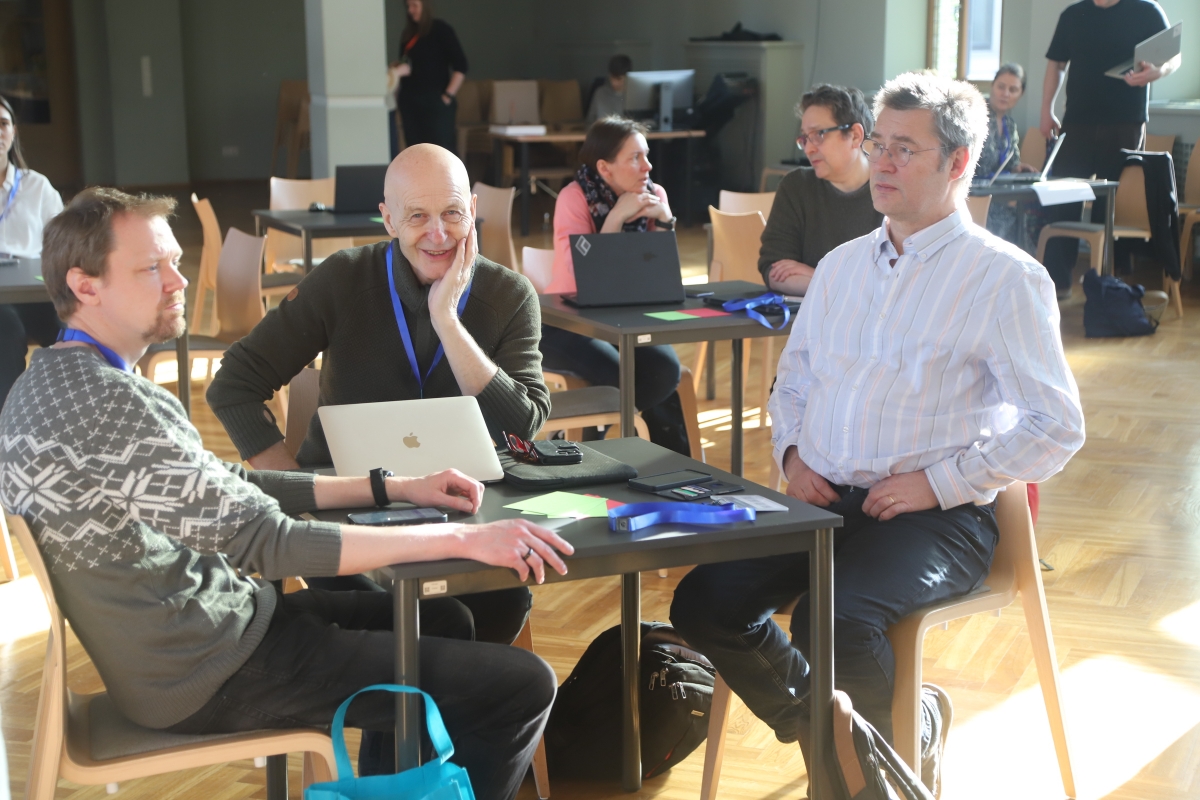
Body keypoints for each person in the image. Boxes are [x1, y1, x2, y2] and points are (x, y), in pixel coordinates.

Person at [0, 187, 574, 800]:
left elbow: (232, 487)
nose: (179, 280)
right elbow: (268, 542)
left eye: (175, 261)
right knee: (523, 686)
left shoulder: (53, 381)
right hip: (210, 671)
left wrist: (391, 486)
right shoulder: (114, 404)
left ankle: (392, 789)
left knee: (443, 618)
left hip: (203, 639)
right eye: (151, 268)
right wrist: (463, 537)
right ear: (84, 286)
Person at [671, 72, 1085, 798]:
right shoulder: (840, 267)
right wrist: (792, 454)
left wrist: (937, 484)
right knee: (704, 600)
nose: (882, 162)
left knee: (833, 620)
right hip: (823, 497)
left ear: (958, 162)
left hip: (937, 517)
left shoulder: (1004, 280)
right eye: (880, 145)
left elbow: (1057, 427)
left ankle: (866, 781)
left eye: (905, 149)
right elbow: (793, 381)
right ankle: (866, 735)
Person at [207, 143, 547, 644]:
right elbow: (234, 383)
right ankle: (424, 693)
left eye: (453, 213)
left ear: (473, 209)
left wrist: (448, 322)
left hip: (465, 508)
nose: (439, 234)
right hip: (347, 515)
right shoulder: (343, 278)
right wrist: (296, 488)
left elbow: (523, 427)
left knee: (506, 598)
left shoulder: (510, 294)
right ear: (388, 220)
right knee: (431, 619)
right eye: (417, 216)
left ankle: (445, 693)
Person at [540, 116, 689, 455]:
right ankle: (586, 454)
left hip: (626, 318)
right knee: (618, 374)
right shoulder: (574, 197)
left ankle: (575, 442)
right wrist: (617, 217)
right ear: (605, 168)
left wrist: (665, 221)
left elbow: (660, 276)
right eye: (635, 157)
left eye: (646, 155)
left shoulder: (655, 197)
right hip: (567, 320)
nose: (647, 166)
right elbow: (588, 277)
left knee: (665, 370)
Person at [1039, 0, 1180, 300]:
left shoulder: (1146, 10)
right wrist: (1046, 109)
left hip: (1125, 123)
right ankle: (1057, 283)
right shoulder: (1072, 15)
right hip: (1076, 122)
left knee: (1111, 205)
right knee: (1062, 199)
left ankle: (1106, 285)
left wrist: (1156, 72)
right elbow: (1056, 65)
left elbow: (1172, 57)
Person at [758, 84, 882, 296]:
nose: (809, 148)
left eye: (819, 135)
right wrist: (848, 287)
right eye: (805, 138)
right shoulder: (796, 186)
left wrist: (819, 276)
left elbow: (892, 283)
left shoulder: (890, 191)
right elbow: (774, 270)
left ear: (855, 135)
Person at [0, 94, 63, 407]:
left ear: (13, 132)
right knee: (7, 331)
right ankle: (10, 419)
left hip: (35, 290)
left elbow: (64, 240)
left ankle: (70, 411)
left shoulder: (37, 186)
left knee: (69, 327)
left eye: (3, 124)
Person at [974, 63, 1044, 252]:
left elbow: (1011, 162)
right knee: (1011, 216)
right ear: (992, 86)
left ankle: (1023, 267)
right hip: (974, 194)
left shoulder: (1010, 125)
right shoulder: (974, 116)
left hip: (998, 194)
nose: (1005, 94)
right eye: (1001, 87)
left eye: (1013, 90)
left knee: (1034, 211)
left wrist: (1017, 168)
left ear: (1021, 94)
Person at [395, 0, 467, 154]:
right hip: (410, 104)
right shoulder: (408, 35)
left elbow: (461, 66)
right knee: (415, 153)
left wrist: (447, 96)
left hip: (435, 104)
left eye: (414, 5)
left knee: (442, 153)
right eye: (408, 6)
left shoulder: (441, 30)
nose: (410, 10)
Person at [586, 54, 632, 124]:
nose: (614, 83)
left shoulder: (634, 96)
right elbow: (589, 122)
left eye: (619, 79)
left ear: (627, 77)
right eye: (612, 77)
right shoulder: (600, 93)